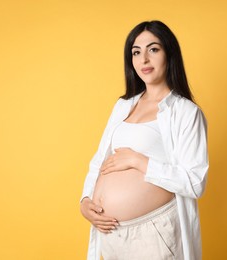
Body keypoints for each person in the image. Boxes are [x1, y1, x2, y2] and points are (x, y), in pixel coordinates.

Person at [80, 20, 209, 260]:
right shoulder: (123, 106)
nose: (144, 60)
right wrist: (86, 200)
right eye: (136, 52)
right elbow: (99, 160)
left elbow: (194, 182)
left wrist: (139, 161)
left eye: (153, 49)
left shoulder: (185, 112)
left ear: (169, 54)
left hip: (153, 234)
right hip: (110, 235)